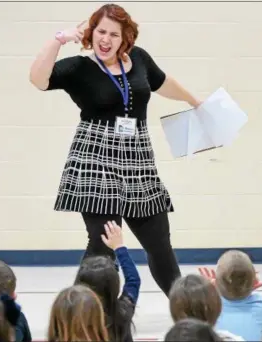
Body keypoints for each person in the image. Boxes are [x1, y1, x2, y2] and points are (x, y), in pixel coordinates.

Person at [29, 4, 201, 296]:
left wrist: (194, 101)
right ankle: (81, 316)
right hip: (95, 159)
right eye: (101, 31)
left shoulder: (139, 58)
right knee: (102, 246)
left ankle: (185, 307)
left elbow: (162, 83)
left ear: (125, 38)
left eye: (113, 34)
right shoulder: (79, 67)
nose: (106, 39)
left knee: (159, 243)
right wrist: (59, 39)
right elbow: (38, 79)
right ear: (91, 33)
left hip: (138, 159)